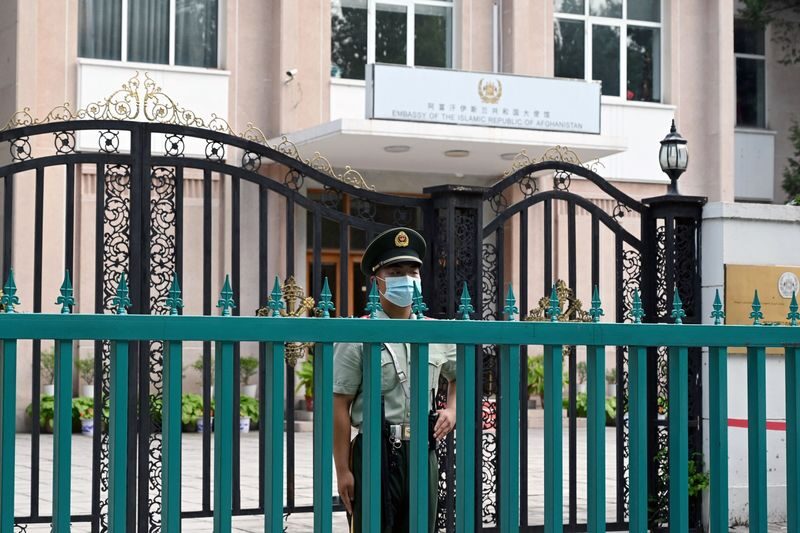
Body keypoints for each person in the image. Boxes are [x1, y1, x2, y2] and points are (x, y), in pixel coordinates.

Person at [332, 227, 457, 533]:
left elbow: (460, 375)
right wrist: (343, 469)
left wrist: (452, 409)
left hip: (422, 449)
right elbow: (339, 404)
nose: (407, 278)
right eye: (396, 271)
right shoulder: (357, 335)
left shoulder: (434, 332)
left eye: (412, 271)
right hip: (374, 449)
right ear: (378, 280)